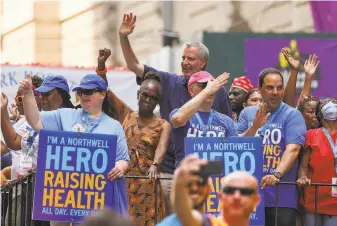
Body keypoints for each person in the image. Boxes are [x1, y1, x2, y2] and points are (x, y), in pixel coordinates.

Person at [118, 12, 232, 214]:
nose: (185, 62)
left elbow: (226, 134)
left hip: (208, 176)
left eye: (191, 59)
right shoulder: (169, 81)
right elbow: (134, 66)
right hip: (170, 171)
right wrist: (124, 37)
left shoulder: (218, 91)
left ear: (203, 63)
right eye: (183, 58)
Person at [19, 74, 130, 226]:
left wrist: (119, 167)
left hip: (98, 201)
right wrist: (28, 94)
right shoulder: (65, 115)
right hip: (66, 199)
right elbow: (35, 120)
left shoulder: (115, 126)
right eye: (81, 91)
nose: (84, 95)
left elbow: (123, 158)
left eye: (89, 91)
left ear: (103, 94)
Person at [95, 48, 171, 225]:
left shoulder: (163, 124)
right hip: (122, 181)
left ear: (157, 101)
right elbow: (106, 92)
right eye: (145, 95)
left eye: (153, 97)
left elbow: (161, 148)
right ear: (138, 94)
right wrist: (101, 65)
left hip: (147, 184)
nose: (147, 99)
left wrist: (155, 165)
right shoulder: (126, 115)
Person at [237, 68, 307, 226]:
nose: (275, 92)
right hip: (248, 197)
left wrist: (277, 174)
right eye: (270, 87)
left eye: (279, 87)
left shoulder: (292, 115)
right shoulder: (247, 114)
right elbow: (236, 145)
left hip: (281, 198)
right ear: (260, 89)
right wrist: (254, 127)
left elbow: (293, 149)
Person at [170, 71, 236, 167]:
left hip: (217, 177)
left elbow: (235, 149)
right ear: (191, 90)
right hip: (188, 177)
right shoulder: (178, 113)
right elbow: (178, 119)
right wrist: (207, 91)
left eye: (213, 85)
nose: (211, 89)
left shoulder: (226, 121)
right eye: (204, 85)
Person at [172, 155, 260, 226]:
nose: (237, 196)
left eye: (245, 192)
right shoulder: (207, 223)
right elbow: (185, 215)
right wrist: (180, 181)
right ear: (220, 197)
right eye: (229, 190)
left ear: (256, 200)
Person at [297, 98, 337, 226]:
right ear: (319, 113)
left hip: (334, 196)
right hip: (313, 195)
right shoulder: (311, 134)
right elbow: (303, 166)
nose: (330, 105)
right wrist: (302, 177)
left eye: (334, 102)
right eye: (325, 103)